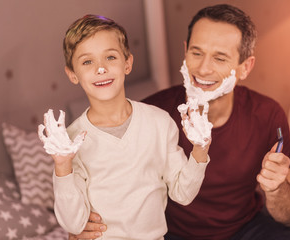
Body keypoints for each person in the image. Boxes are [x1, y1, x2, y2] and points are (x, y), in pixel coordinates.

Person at [70, 4, 290, 240]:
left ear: (245, 67)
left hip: (245, 229)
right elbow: (108, 184)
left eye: (220, 58)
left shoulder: (267, 114)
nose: (203, 68)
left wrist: (277, 189)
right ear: (185, 51)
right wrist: (81, 225)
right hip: (172, 234)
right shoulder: (150, 116)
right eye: (196, 52)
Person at [39, 14, 211, 240]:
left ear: (127, 63)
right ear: (72, 74)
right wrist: (62, 166)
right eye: (87, 61)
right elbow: (73, 222)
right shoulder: (70, 141)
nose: (101, 69)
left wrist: (200, 148)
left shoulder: (160, 123)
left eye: (110, 57)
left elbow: (183, 193)